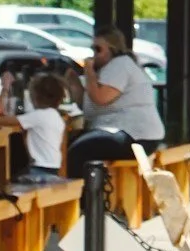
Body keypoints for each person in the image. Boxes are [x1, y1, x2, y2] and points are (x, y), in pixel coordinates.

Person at [66, 28, 163, 174]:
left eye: (98, 49)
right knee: (74, 144)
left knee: (80, 150)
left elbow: (101, 98)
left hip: (135, 134)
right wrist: (74, 83)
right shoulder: (107, 69)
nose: (94, 54)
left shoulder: (120, 65)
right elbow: (89, 105)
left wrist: (89, 72)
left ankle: (83, 195)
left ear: (112, 49)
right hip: (119, 131)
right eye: (92, 48)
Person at [16, 73, 69, 184]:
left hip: (39, 168)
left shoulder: (38, 115)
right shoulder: (57, 116)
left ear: (35, 97)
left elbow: (12, 121)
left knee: (16, 179)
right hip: (55, 167)